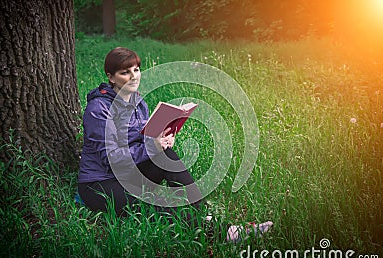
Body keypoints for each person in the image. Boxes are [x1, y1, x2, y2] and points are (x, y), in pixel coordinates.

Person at [77, 47, 272, 242]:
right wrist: (151, 147)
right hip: (101, 184)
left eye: (136, 69)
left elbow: (140, 137)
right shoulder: (98, 109)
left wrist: (163, 137)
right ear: (111, 78)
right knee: (153, 206)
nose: (133, 76)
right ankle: (226, 234)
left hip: (129, 173)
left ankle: (201, 214)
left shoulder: (137, 100)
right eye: (125, 72)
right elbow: (110, 159)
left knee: (167, 155)